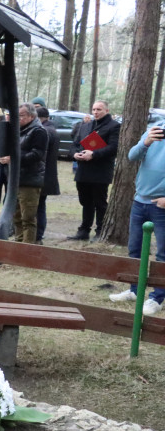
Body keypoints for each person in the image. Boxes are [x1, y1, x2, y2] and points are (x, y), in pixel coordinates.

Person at [107, 123, 165, 316]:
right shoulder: (155, 129)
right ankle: (134, 290)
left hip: (162, 205)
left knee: (163, 254)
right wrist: (146, 142)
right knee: (135, 249)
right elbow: (132, 156)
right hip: (140, 201)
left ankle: (157, 298)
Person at [68, 100, 120, 241]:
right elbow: (75, 144)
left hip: (100, 171)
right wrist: (75, 154)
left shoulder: (114, 126)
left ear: (107, 111)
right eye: (94, 109)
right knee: (85, 201)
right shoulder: (86, 125)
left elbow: (114, 148)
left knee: (100, 202)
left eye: (99, 109)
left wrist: (94, 154)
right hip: (83, 170)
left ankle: (100, 231)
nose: (96, 112)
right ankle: (84, 231)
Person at [5, 102, 48, 244]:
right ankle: (18, 243)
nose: (18, 119)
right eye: (16, 116)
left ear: (31, 116)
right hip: (17, 178)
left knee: (28, 217)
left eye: (21, 116)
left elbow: (37, 155)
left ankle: (28, 247)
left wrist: (14, 159)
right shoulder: (19, 130)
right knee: (16, 215)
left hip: (30, 179)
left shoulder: (38, 131)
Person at [36, 106, 60, 244]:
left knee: (38, 207)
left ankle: (38, 235)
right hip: (47, 175)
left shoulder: (45, 131)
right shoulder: (52, 130)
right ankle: (39, 233)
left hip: (42, 175)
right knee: (40, 206)